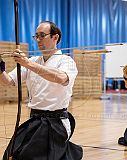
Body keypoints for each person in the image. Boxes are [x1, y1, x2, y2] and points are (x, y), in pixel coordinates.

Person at [1, 21, 83, 160]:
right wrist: (0, 69)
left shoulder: (66, 61)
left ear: (55, 37)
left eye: (42, 35)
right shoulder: (33, 60)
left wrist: (27, 63)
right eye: (36, 36)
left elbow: (60, 78)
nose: (38, 40)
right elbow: (9, 81)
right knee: (11, 155)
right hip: (35, 121)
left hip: (56, 124)